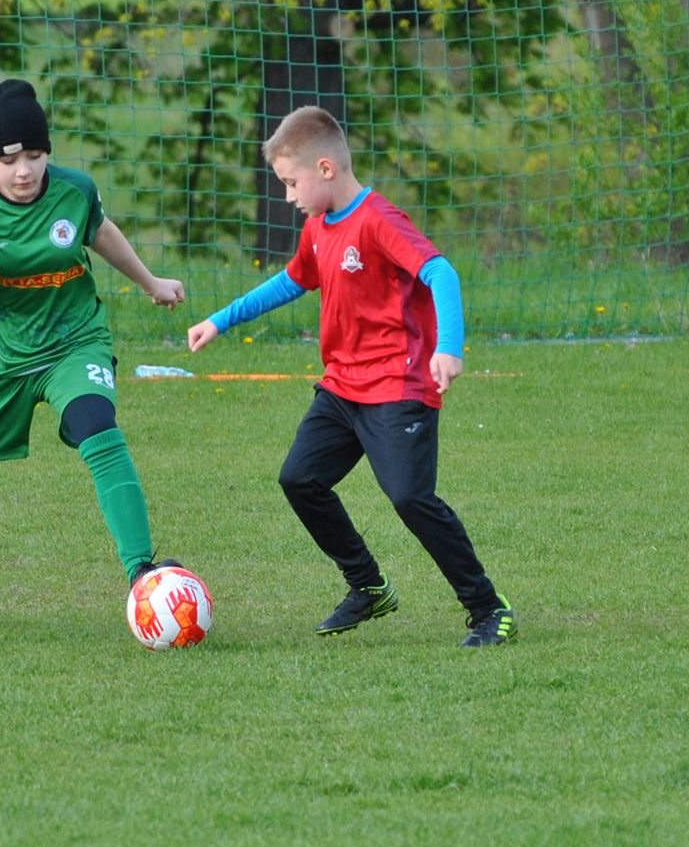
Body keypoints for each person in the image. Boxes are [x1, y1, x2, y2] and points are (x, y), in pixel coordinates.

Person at [187, 106, 514, 647]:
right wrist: (222, 319)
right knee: (300, 479)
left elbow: (441, 272)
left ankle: (487, 608)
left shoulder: (378, 220)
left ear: (326, 169)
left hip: (397, 387)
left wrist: (449, 347)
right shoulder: (318, 227)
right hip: (342, 388)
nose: (288, 197)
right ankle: (367, 585)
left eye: (292, 184)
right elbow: (292, 281)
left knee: (410, 498)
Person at [0, 78, 186, 631]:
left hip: (74, 341)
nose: (23, 170)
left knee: (98, 427)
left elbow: (101, 232)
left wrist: (151, 281)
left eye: (35, 155)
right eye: (9, 160)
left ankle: (142, 572)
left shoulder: (74, 191)